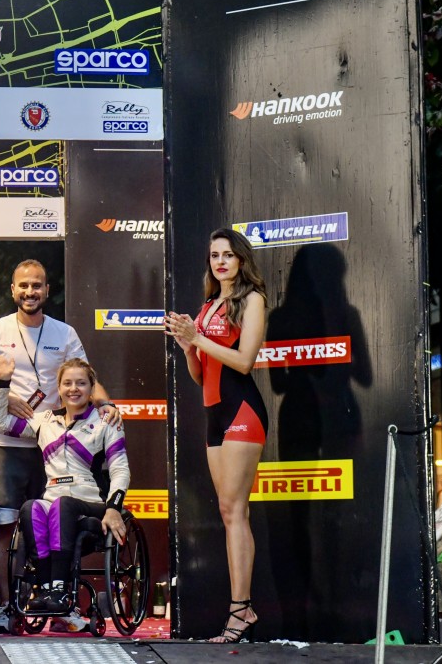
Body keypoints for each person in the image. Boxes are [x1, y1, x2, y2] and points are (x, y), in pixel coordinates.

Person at [0, 259, 119, 631]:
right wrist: (3, 397)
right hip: (5, 442)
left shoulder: (64, 332)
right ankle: (7, 608)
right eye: (24, 285)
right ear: (13, 290)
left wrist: (106, 404)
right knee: (7, 527)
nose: (30, 292)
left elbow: (87, 379)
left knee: (56, 523)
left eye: (37, 285)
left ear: (47, 290)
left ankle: (58, 606)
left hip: (53, 442)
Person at [164, 227, 268, 643]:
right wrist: (188, 347)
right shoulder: (208, 306)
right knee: (228, 512)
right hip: (214, 414)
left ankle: (240, 609)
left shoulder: (252, 299)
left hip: (242, 410)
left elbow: (244, 362)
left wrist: (199, 339)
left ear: (241, 259)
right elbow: (199, 374)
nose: (220, 261)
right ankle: (241, 608)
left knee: (236, 511)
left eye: (228, 254)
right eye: (214, 255)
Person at [0, 358, 129, 631]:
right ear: (59, 388)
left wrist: (113, 507)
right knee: (31, 507)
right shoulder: (45, 420)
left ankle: (60, 589)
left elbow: (120, 469)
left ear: (91, 388)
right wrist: (2, 381)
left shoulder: (106, 421)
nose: (74, 389)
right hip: (55, 503)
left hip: (91, 504)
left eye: (81, 383)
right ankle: (44, 588)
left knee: (63, 505)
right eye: (68, 383)